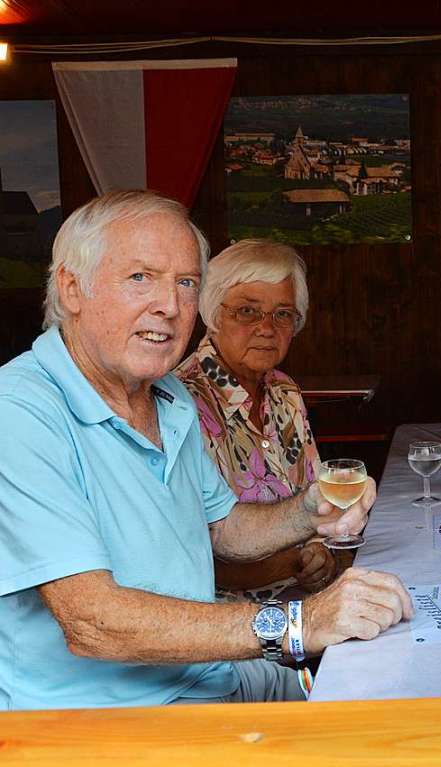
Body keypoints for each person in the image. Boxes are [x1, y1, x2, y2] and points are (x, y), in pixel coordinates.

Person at [0, 191, 412, 710]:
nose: (170, 307)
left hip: (211, 678)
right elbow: (92, 622)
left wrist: (308, 509)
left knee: (410, 685)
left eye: (186, 283)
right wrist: (299, 624)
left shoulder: (167, 395)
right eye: (140, 277)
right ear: (72, 287)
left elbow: (223, 528)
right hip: (111, 718)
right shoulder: (18, 411)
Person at [176, 239, 336, 603]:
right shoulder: (179, 404)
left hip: (304, 602)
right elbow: (182, 554)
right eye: (247, 311)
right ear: (212, 313)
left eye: (283, 314)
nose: (267, 327)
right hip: (223, 625)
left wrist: (320, 554)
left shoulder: (285, 392)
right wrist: (290, 565)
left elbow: (317, 498)